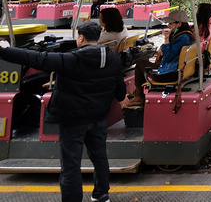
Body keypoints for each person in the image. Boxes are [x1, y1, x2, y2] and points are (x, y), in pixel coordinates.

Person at [0, 21, 126, 202]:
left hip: (72, 119)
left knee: (70, 164)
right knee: (99, 158)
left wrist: (4, 50)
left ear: (81, 37)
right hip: (98, 117)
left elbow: (37, 58)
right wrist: (122, 97)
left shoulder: (72, 58)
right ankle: (101, 195)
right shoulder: (112, 58)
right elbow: (119, 85)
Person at [124, 9, 194, 108]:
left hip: (169, 74)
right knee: (145, 63)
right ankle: (137, 92)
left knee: (140, 63)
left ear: (179, 24)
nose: (168, 26)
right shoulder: (186, 35)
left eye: (171, 23)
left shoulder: (182, 38)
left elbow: (168, 56)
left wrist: (166, 40)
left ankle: (139, 96)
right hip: (177, 71)